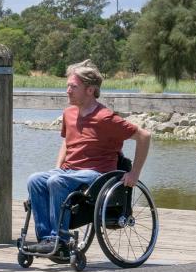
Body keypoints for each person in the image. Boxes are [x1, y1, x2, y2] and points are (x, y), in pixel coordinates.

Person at [26, 59, 151, 253]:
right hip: (69, 171)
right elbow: (67, 142)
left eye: (73, 87)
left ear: (90, 90)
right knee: (35, 180)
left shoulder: (105, 117)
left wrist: (134, 173)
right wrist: (58, 167)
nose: (68, 90)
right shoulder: (68, 113)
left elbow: (144, 136)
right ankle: (46, 239)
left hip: (96, 174)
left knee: (56, 181)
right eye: (67, 86)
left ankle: (61, 239)